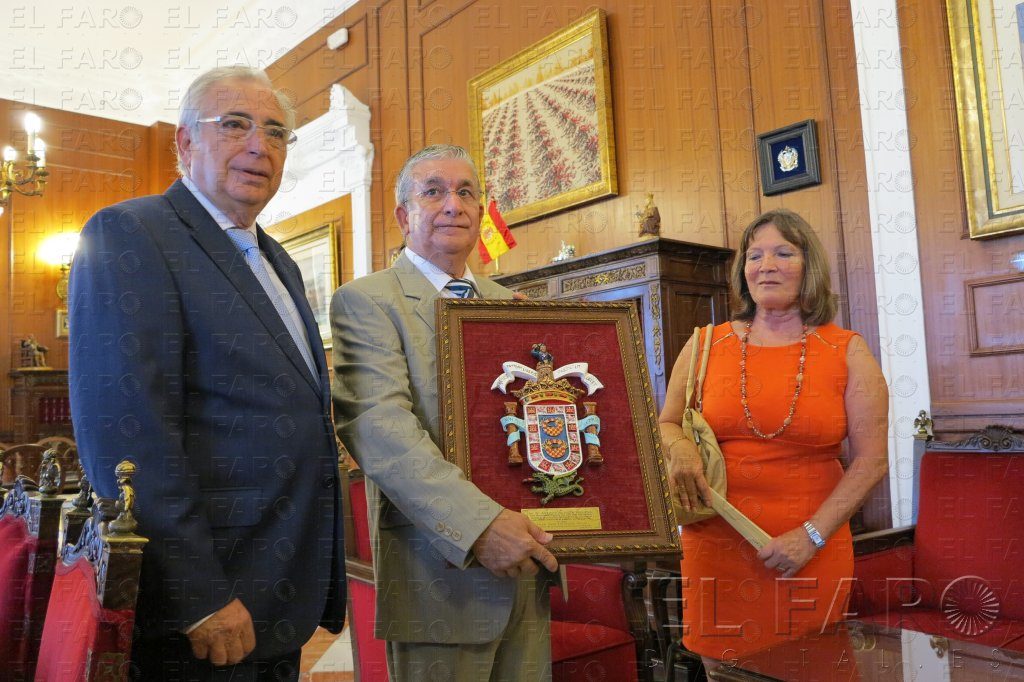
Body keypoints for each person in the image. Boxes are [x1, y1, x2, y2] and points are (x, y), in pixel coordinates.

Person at [68, 66, 346, 681]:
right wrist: (195, 595)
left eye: (275, 132)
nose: (259, 145)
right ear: (185, 141)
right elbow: (126, 433)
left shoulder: (276, 260)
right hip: (206, 601)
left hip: (279, 585)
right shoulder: (131, 233)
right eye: (236, 125)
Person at [331, 144, 559, 682]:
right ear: (404, 214)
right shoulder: (368, 301)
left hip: (530, 565)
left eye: (466, 192)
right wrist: (480, 527)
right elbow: (380, 429)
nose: (453, 204)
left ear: (480, 211)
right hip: (439, 574)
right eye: (433, 191)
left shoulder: (514, 306)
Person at [659, 208, 889, 666]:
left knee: (811, 668)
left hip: (811, 550)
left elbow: (872, 461)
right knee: (723, 669)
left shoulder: (847, 350)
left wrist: (811, 537)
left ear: (809, 266)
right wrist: (681, 447)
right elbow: (666, 422)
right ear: (742, 270)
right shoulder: (705, 343)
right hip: (715, 547)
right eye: (754, 255)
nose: (766, 265)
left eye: (784, 253)